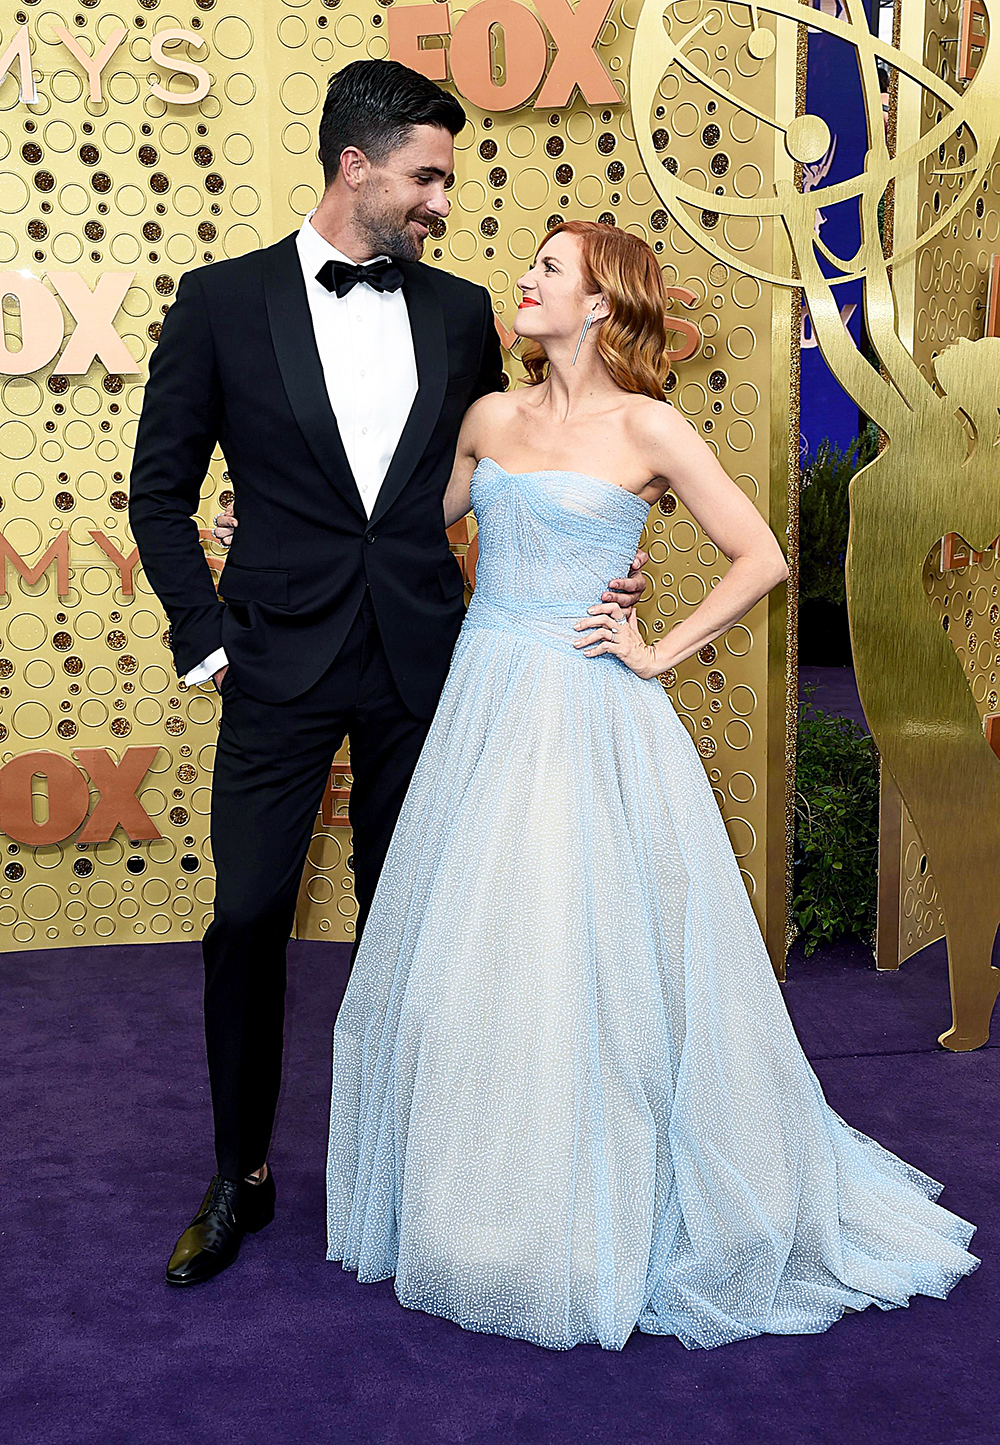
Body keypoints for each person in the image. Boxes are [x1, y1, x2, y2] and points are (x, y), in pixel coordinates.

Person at [317, 220, 978, 1351]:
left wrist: (658, 648)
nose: (523, 281)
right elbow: (397, 534)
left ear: (601, 303)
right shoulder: (487, 418)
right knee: (471, 965)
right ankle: (477, 1212)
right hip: (485, 701)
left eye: (547, 271)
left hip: (588, 711)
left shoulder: (650, 427)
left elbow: (762, 554)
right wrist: (273, 526)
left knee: (590, 962)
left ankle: (596, 1209)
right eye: (529, 266)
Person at [128, 62, 649, 1289]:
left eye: (445, 182)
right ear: (354, 167)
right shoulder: (218, 302)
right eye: (425, 177)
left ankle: (412, 1164)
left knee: (415, 923)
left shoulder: (464, 311)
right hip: (276, 660)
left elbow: (529, 456)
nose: (439, 204)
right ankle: (238, 1174)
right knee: (250, 915)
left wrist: (600, 573)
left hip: (431, 662)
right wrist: (204, 631)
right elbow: (158, 491)